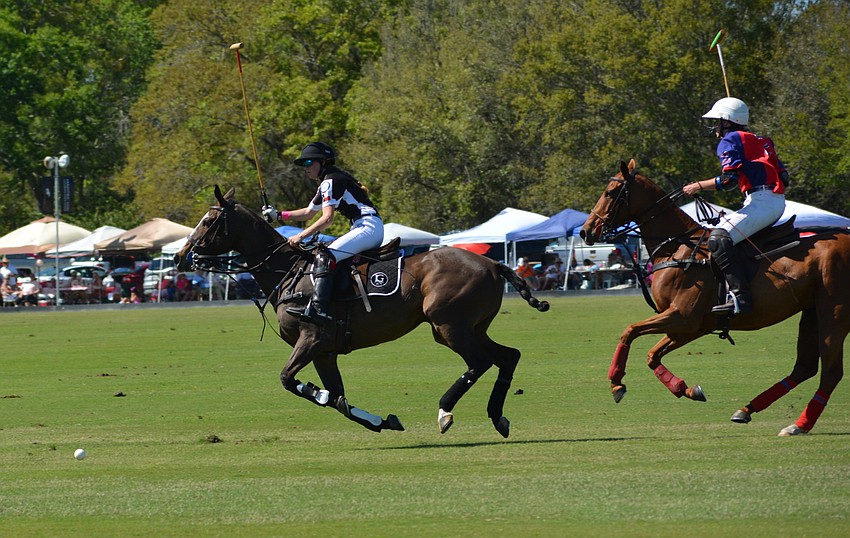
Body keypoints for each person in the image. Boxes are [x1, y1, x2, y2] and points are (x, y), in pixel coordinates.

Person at [683, 97, 788, 315]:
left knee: (718, 239)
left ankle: (741, 298)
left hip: (762, 202)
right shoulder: (761, 141)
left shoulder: (730, 140)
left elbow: (728, 181)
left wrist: (698, 186)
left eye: (717, 121)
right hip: (768, 200)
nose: (715, 127)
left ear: (727, 121)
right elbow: (784, 176)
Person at [263, 142, 384, 323]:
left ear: (323, 162)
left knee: (325, 256)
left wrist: (301, 235)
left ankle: (320, 309)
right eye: (304, 164)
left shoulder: (330, 181)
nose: (305, 168)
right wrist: (278, 214)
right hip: (367, 227)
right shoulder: (329, 181)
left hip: (367, 227)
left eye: (309, 162)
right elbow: (308, 213)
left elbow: (327, 219)